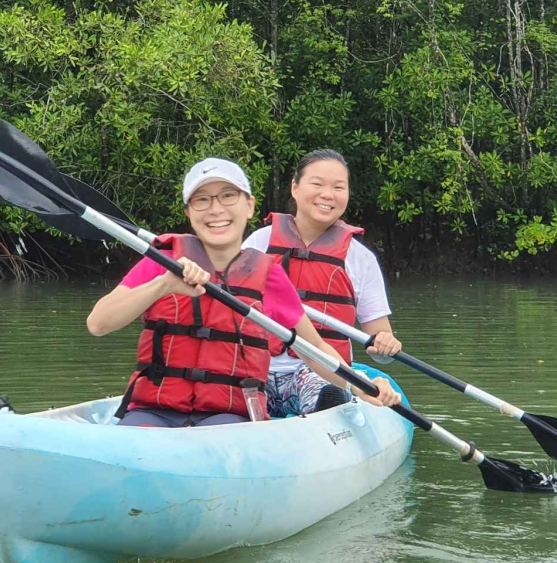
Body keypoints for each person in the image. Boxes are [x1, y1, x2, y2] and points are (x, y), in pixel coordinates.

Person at [86, 157, 401, 427]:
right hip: (154, 411)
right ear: (189, 212)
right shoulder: (164, 261)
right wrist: (164, 284)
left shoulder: (267, 276)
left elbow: (314, 348)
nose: (216, 209)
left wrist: (362, 387)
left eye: (228, 196)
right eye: (202, 200)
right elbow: (98, 324)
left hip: (226, 416)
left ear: (249, 206)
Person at [244, 149, 403, 418]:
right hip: (257, 368)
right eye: (316, 184)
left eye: (338, 187)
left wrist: (386, 346)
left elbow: (379, 347)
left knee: (324, 389)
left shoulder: (360, 259)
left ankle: (328, 417)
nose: (327, 195)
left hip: (321, 371)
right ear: (295, 188)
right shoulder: (257, 245)